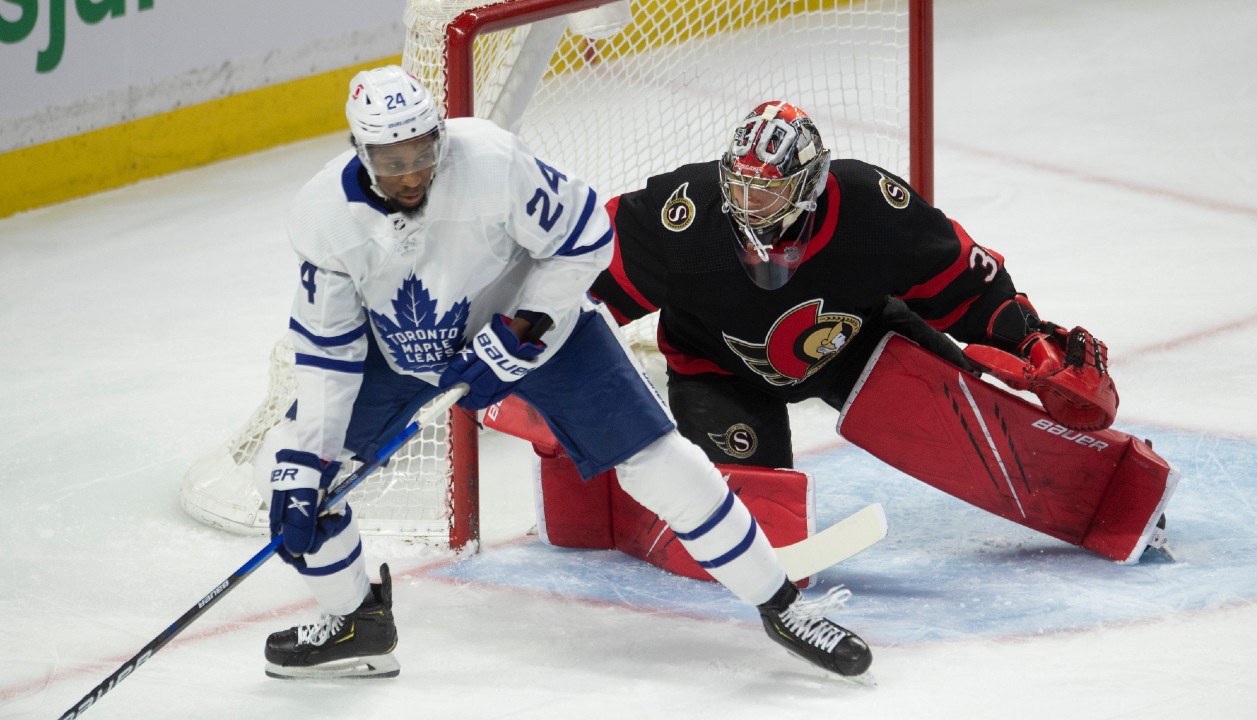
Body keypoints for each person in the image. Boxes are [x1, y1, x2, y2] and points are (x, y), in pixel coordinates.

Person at [251, 67, 873, 681]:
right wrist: (308, 464)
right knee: (283, 467)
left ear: (440, 136)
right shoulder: (323, 218)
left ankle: (782, 605)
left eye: (422, 152)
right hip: (400, 350)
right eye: (391, 161)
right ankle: (355, 617)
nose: (411, 174)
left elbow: (585, 238)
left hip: (538, 328)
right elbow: (329, 353)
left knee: (663, 462)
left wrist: (524, 328)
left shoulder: (491, 161)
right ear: (359, 152)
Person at [583, 100, 1173, 562]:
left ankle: (1096, 488)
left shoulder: (871, 208)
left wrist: (1034, 344)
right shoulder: (684, 214)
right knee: (759, 517)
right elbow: (583, 277)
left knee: (982, 417)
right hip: (717, 370)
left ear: (811, 184)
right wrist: (542, 348)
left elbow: (967, 281)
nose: (748, 203)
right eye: (739, 185)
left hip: (860, 347)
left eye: (767, 189)